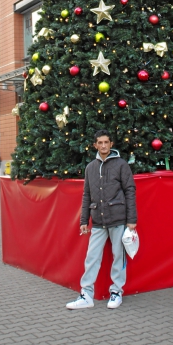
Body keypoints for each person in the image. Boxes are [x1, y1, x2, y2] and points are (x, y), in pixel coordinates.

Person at [66, 129, 137, 310]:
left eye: (106, 142)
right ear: (95, 145)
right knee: (91, 258)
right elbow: (87, 195)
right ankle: (86, 295)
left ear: (111, 144)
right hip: (98, 221)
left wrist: (132, 220)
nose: (103, 145)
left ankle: (116, 292)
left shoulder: (121, 165)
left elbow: (130, 190)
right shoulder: (90, 168)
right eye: (100, 143)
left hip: (119, 219)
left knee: (118, 257)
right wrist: (84, 220)